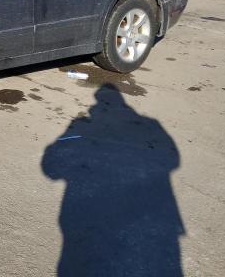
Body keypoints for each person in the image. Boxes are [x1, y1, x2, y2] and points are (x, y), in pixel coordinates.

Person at [41, 84, 185, 277]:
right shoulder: (151, 124)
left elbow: (50, 168)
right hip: (152, 224)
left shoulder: (84, 126)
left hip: (93, 217)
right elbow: (173, 160)